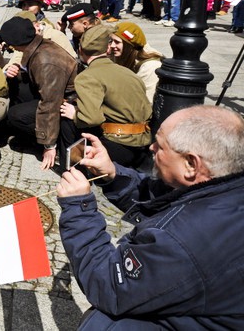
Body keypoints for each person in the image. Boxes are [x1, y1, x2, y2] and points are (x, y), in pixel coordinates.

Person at [56, 105, 244, 329]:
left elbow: (108, 285)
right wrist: (113, 174)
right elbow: (164, 194)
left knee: (106, 322)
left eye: (161, 145)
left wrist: (79, 208)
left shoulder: (185, 240)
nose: (151, 148)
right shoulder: (225, 185)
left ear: (191, 164)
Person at [59, 25, 152, 168]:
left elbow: (92, 118)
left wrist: (75, 115)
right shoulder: (129, 73)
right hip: (143, 142)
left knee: (67, 121)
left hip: (118, 144)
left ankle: (74, 172)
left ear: (80, 50)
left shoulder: (87, 77)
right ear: (107, 49)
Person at [0, 16, 77, 170]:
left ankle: (54, 137)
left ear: (14, 44)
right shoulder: (39, 45)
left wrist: (49, 144)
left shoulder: (44, 61)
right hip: (56, 93)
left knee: (16, 115)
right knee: (16, 86)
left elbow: (50, 102)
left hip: (68, 100)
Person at [108, 22, 162, 103]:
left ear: (129, 45)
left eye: (117, 42)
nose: (112, 45)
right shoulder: (122, 55)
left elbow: (147, 101)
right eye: (111, 41)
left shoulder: (150, 66)